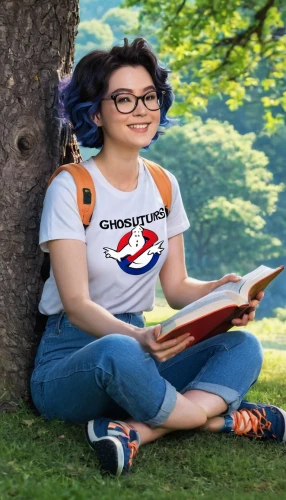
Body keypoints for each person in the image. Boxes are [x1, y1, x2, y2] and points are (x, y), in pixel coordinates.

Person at [30, 38, 286, 477]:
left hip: (143, 347)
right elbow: (76, 304)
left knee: (242, 345)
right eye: (123, 99)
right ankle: (218, 421)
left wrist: (221, 291)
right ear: (95, 113)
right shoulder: (71, 188)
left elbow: (177, 289)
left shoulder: (163, 185)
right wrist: (137, 340)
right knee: (117, 350)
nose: (141, 110)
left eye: (149, 97)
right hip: (75, 357)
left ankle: (138, 431)